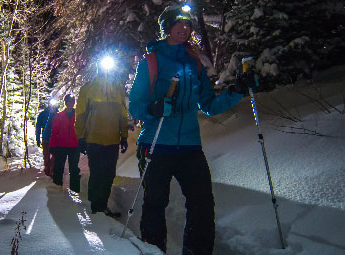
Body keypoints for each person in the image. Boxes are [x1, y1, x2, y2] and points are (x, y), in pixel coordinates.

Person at [128, 5, 250, 255]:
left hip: (190, 147)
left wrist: (237, 91)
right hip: (155, 144)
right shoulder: (151, 61)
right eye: (178, 24)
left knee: (202, 204)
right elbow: (136, 105)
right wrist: (155, 107)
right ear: (167, 28)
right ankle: (153, 251)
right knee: (154, 204)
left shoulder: (195, 63)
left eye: (188, 25)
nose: (184, 28)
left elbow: (208, 105)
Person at [75, 56, 129, 216]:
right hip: (94, 139)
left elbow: (123, 114)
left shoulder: (117, 88)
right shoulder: (88, 88)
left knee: (109, 174)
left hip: (112, 140)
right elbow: (81, 115)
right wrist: (81, 138)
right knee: (97, 173)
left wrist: (124, 136)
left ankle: (102, 206)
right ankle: (94, 207)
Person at [49, 94, 80, 193]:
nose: (70, 103)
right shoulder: (59, 116)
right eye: (68, 101)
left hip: (75, 146)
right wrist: (52, 146)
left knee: (74, 168)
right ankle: (57, 188)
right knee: (59, 167)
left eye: (72, 101)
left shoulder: (78, 116)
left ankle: (75, 190)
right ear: (65, 103)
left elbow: (82, 129)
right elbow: (54, 132)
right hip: (61, 145)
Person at [36, 100, 58, 177]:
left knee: (55, 156)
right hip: (46, 139)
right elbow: (38, 126)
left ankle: (52, 171)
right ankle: (47, 171)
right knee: (46, 156)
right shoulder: (42, 114)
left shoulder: (57, 114)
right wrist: (37, 138)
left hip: (55, 139)